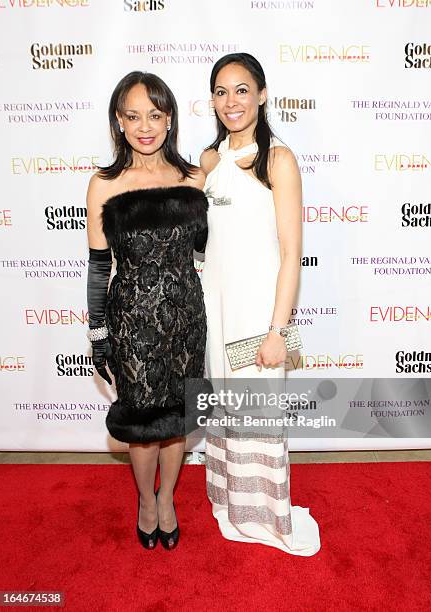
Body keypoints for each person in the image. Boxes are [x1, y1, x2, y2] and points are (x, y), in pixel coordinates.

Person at [200, 53, 320, 555]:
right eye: (222, 92)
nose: (232, 101)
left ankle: (265, 515)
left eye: (242, 89)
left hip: (258, 316)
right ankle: (230, 504)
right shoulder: (208, 161)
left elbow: (292, 253)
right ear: (212, 101)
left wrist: (278, 330)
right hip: (215, 310)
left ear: (263, 94)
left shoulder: (279, 160)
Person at [86, 71, 208, 551]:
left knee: (175, 419)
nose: (145, 126)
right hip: (132, 320)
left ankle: (169, 498)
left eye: (154, 115)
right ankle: (145, 500)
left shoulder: (192, 177)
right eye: (133, 116)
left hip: (185, 317)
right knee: (142, 424)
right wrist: (99, 336)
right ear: (118, 121)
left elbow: (203, 247)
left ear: (170, 118)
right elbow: (99, 269)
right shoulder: (104, 185)